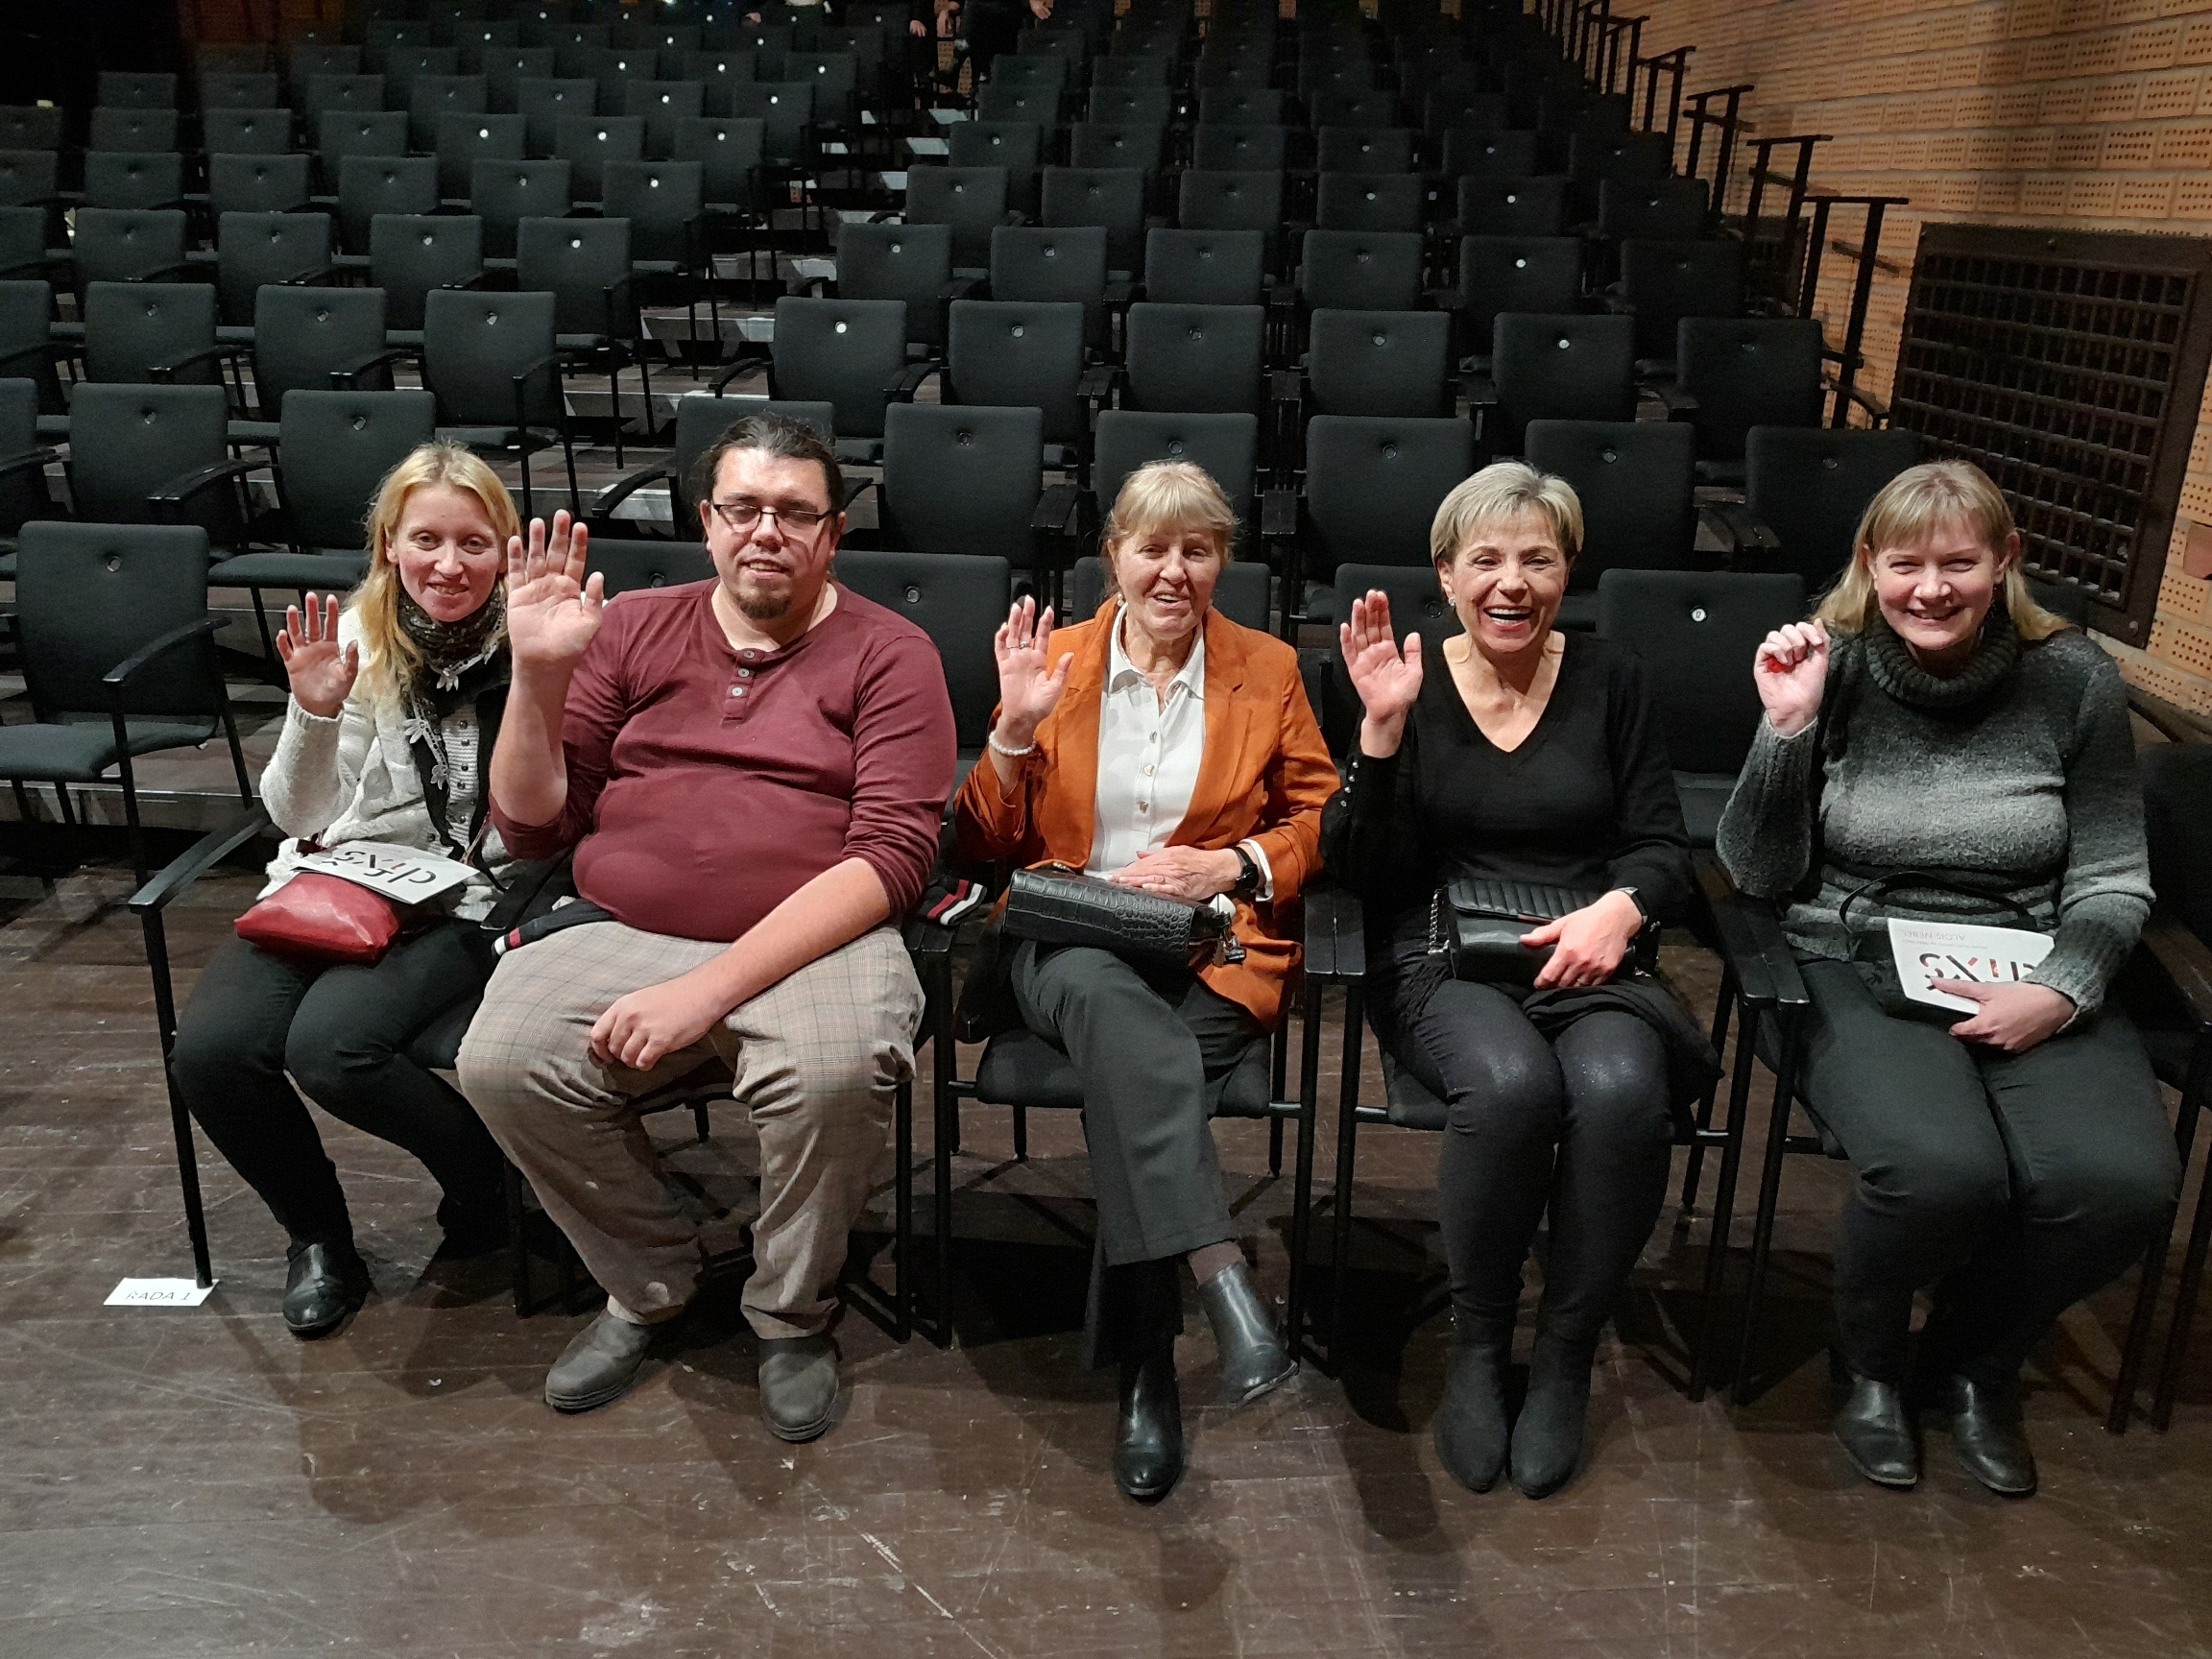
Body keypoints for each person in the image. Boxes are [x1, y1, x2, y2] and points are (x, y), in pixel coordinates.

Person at [456, 415, 956, 1439]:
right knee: (501, 1063)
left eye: (795, 513)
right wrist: (538, 679)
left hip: (817, 935)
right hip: (623, 923)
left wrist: (705, 992)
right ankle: (651, 1281)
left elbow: (893, 859)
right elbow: (532, 825)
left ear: (833, 533)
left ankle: (790, 1312)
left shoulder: (891, 653)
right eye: (744, 508)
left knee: (833, 1074)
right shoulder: (633, 626)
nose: (766, 531)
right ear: (708, 521)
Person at [1717, 460, 2178, 1498]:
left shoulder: (2073, 676)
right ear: (1869, 565)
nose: (1932, 590)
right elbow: (1756, 872)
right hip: (1855, 952)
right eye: (1907, 565)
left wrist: (2064, 987)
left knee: (2120, 1187)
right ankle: (1871, 1365)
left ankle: (1974, 1360)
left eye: (1959, 564)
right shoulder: (1828, 662)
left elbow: (2111, 874)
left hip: (2030, 958)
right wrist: (1787, 730)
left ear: (2005, 561)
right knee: (1939, 1172)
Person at [1321, 462, 1713, 1500]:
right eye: (1486, 559)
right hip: (1440, 947)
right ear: (1447, 575)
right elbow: (1361, 870)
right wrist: (1382, 732)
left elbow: (1661, 846)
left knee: (1622, 1090)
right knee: (1509, 1089)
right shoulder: (1400, 678)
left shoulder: (1614, 677)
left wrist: (1620, 911)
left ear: (1566, 572)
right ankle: (1482, 1342)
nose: (1512, 582)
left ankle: (1567, 1353)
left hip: (1587, 946)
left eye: (1537, 559)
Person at [952, 462, 1338, 1503]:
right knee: (1113, 1015)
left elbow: (1319, 817)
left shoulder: (1267, 668)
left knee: (1135, 1083)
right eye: (1152, 548)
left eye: (1197, 550)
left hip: (1209, 951)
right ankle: (1203, 1294)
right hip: (1067, 942)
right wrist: (1012, 733)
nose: (1174, 572)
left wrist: (1233, 865)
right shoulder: (1056, 662)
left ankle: (1152, 1363)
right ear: (1113, 556)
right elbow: (981, 845)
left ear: (1222, 562)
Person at [170, 444, 520, 1337]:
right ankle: (319, 1238)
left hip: (469, 895)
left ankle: (488, 1185)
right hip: (343, 879)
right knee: (211, 1053)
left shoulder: (536, 638)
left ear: (504, 548)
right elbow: (298, 814)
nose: (449, 564)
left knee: (332, 1050)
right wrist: (315, 711)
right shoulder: (357, 636)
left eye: (473, 542)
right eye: (426, 540)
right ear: (390, 546)